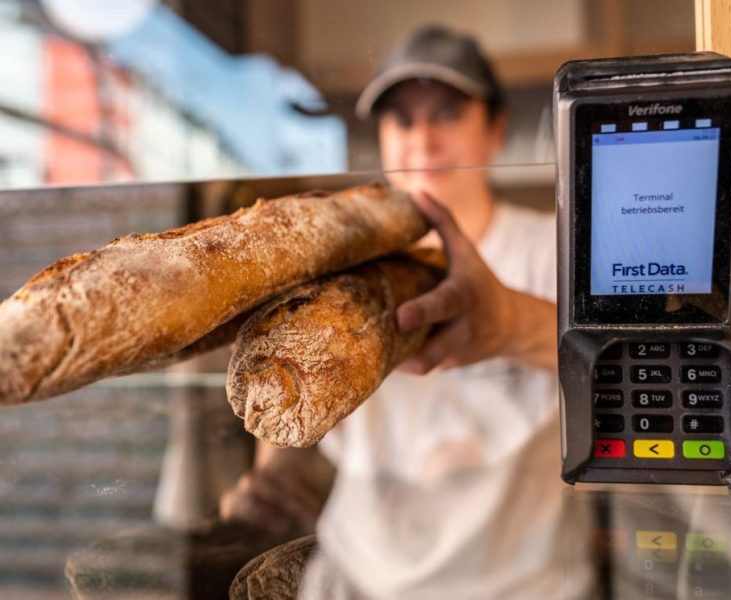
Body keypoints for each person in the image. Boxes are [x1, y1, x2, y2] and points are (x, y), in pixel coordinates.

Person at [221, 25, 562, 592]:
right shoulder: (340, 276)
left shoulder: (550, 249)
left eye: (448, 114)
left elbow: (631, 364)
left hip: (515, 582)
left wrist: (506, 323)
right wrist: (275, 481)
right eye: (402, 120)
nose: (422, 139)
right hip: (355, 579)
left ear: (495, 130)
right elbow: (288, 441)